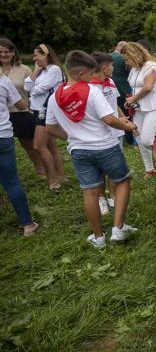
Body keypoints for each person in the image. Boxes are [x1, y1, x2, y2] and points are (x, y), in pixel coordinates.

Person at [46, 51, 137, 248]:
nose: (91, 78)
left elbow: (50, 127)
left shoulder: (55, 98)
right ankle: (118, 229)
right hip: (105, 146)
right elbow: (109, 119)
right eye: (89, 74)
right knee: (122, 181)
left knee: (89, 192)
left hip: (79, 150)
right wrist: (127, 126)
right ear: (80, 74)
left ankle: (98, 238)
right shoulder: (92, 91)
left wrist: (71, 136)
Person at [0, 70, 39, 236]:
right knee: (11, 182)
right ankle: (27, 224)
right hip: (2, 135)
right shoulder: (3, 81)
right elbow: (20, 104)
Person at [23, 43, 66, 192]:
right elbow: (27, 88)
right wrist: (36, 71)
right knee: (51, 145)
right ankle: (61, 176)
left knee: (38, 146)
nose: (34, 58)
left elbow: (39, 89)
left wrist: (33, 90)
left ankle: (54, 181)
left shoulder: (54, 69)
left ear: (45, 54)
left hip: (46, 111)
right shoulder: (42, 71)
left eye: (36, 55)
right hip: (37, 110)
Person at [0, 38, 44, 176]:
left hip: (20, 112)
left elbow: (33, 90)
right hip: (2, 114)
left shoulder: (24, 69)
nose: (3, 55)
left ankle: (40, 168)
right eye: (0, 52)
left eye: (7, 51)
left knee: (29, 145)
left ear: (13, 52)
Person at [90, 52, 126, 215]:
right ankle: (100, 198)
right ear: (104, 68)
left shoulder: (110, 82)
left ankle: (112, 196)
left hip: (116, 132)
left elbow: (114, 104)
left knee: (114, 166)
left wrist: (122, 116)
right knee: (100, 169)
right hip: (99, 134)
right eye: (111, 65)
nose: (113, 68)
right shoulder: (91, 87)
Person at [121, 42, 156, 177]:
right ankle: (149, 169)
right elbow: (135, 87)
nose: (126, 62)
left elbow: (148, 87)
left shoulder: (151, 66)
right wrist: (131, 101)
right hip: (139, 108)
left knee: (147, 139)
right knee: (139, 138)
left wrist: (133, 99)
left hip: (153, 107)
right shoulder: (134, 69)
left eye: (127, 58)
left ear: (134, 55)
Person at [111, 41, 135, 146]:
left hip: (111, 90)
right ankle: (130, 138)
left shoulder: (108, 57)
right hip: (125, 90)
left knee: (116, 112)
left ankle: (120, 135)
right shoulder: (124, 59)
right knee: (127, 114)